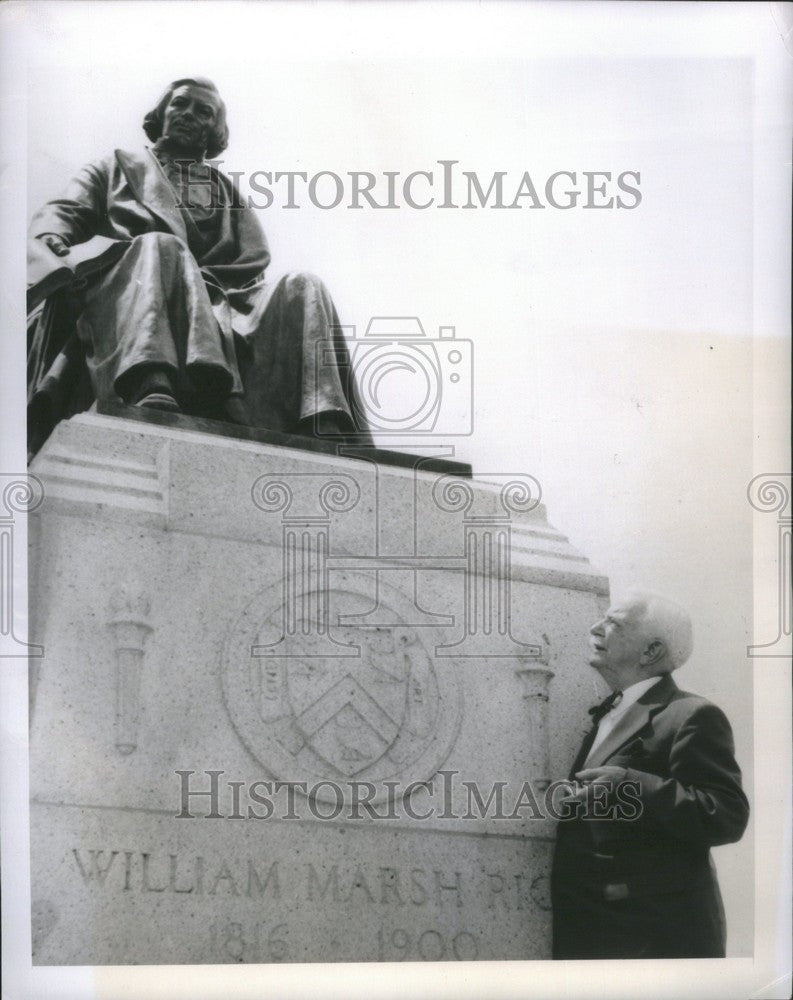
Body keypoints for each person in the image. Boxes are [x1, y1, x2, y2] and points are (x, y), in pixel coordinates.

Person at [26, 76, 371, 457]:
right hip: (134, 288)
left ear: (214, 131)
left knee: (303, 285)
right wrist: (51, 235)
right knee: (163, 247)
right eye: (180, 105)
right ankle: (150, 381)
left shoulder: (226, 192)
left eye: (203, 112)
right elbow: (65, 210)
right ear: (162, 114)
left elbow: (249, 264)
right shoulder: (119, 165)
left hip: (220, 301)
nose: (189, 114)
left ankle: (322, 416)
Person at [550, 591, 749, 959]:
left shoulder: (691, 714)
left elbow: (727, 814)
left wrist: (629, 785)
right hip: (591, 936)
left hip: (654, 942)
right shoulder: (605, 715)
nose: (596, 628)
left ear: (650, 651)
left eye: (614, 623)